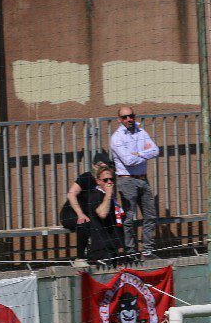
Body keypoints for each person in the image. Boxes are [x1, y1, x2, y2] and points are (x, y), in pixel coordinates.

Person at [109, 107, 159, 258]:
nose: (129, 119)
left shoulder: (141, 132)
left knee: (150, 216)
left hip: (143, 179)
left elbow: (156, 151)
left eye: (131, 116)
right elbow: (128, 161)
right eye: (124, 117)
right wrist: (145, 155)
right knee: (129, 219)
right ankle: (130, 252)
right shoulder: (117, 138)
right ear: (119, 119)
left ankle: (148, 251)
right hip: (127, 180)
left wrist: (139, 153)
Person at [65, 161, 123, 265]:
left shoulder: (108, 196)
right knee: (83, 223)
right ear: (98, 181)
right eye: (105, 180)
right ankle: (80, 258)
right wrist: (80, 213)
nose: (109, 182)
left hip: (111, 247)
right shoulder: (95, 194)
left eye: (111, 179)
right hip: (70, 213)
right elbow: (102, 213)